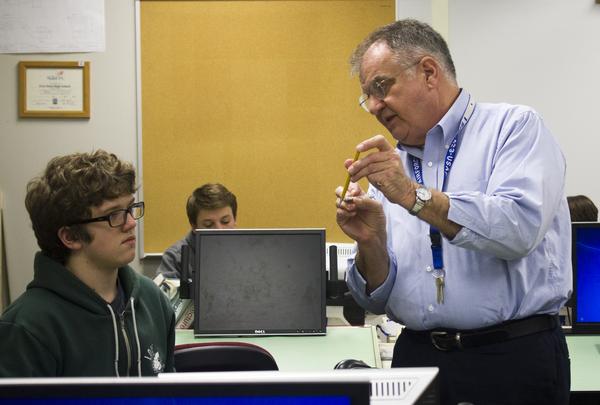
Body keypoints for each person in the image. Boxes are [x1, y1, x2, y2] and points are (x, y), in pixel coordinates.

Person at [336, 19, 571, 405]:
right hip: (416, 357)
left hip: (511, 359)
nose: (375, 106)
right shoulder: (389, 169)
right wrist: (370, 242)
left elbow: (519, 229)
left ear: (428, 72)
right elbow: (375, 301)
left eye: (381, 87)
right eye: (368, 97)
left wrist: (414, 196)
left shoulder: (513, 129)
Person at [0, 150, 175, 377]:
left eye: (130, 208)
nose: (131, 223)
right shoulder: (26, 327)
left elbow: (169, 392)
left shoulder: (153, 301)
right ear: (70, 237)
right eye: (114, 214)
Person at [156, 183, 237, 278]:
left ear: (234, 219)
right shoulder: (175, 257)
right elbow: (163, 292)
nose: (219, 230)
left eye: (225, 221)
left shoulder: (247, 250)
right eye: (209, 225)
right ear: (194, 226)